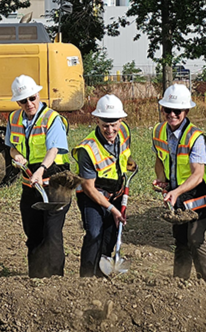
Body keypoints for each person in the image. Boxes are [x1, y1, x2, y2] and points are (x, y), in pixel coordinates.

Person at [152, 83, 206, 283]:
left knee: (196, 240)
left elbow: (198, 175)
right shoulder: (158, 131)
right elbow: (159, 160)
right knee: (181, 241)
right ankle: (179, 283)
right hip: (178, 196)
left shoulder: (195, 137)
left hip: (200, 196)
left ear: (186, 111)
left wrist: (177, 191)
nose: (172, 114)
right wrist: (162, 180)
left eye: (177, 110)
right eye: (168, 110)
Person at [6, 74, 71, 278]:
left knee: (52, 232)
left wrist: (41, 169)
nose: (29, 104)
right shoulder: (13, 119)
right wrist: (17, 156)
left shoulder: (52, 118)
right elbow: (11, 147)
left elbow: (54, 149)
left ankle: (54, 278)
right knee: (33, 234)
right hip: (31, 185)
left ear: (38, 95)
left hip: (55, 182)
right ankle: (35, 278)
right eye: (23, 100)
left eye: (32, 98)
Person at [74, 95, 132, 278]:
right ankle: (86, 278)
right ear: (97, 120)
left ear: (121, 121)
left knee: (110, 235)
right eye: (105, 125)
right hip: (92, 194)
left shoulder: (124, 133)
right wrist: (112, 209)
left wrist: (130, 163)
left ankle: (102, 275)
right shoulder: (87, 149)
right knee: (94, 233)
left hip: (116, 191)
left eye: (114, 124)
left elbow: (123, 157)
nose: (110, 130)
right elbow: (89, 188)